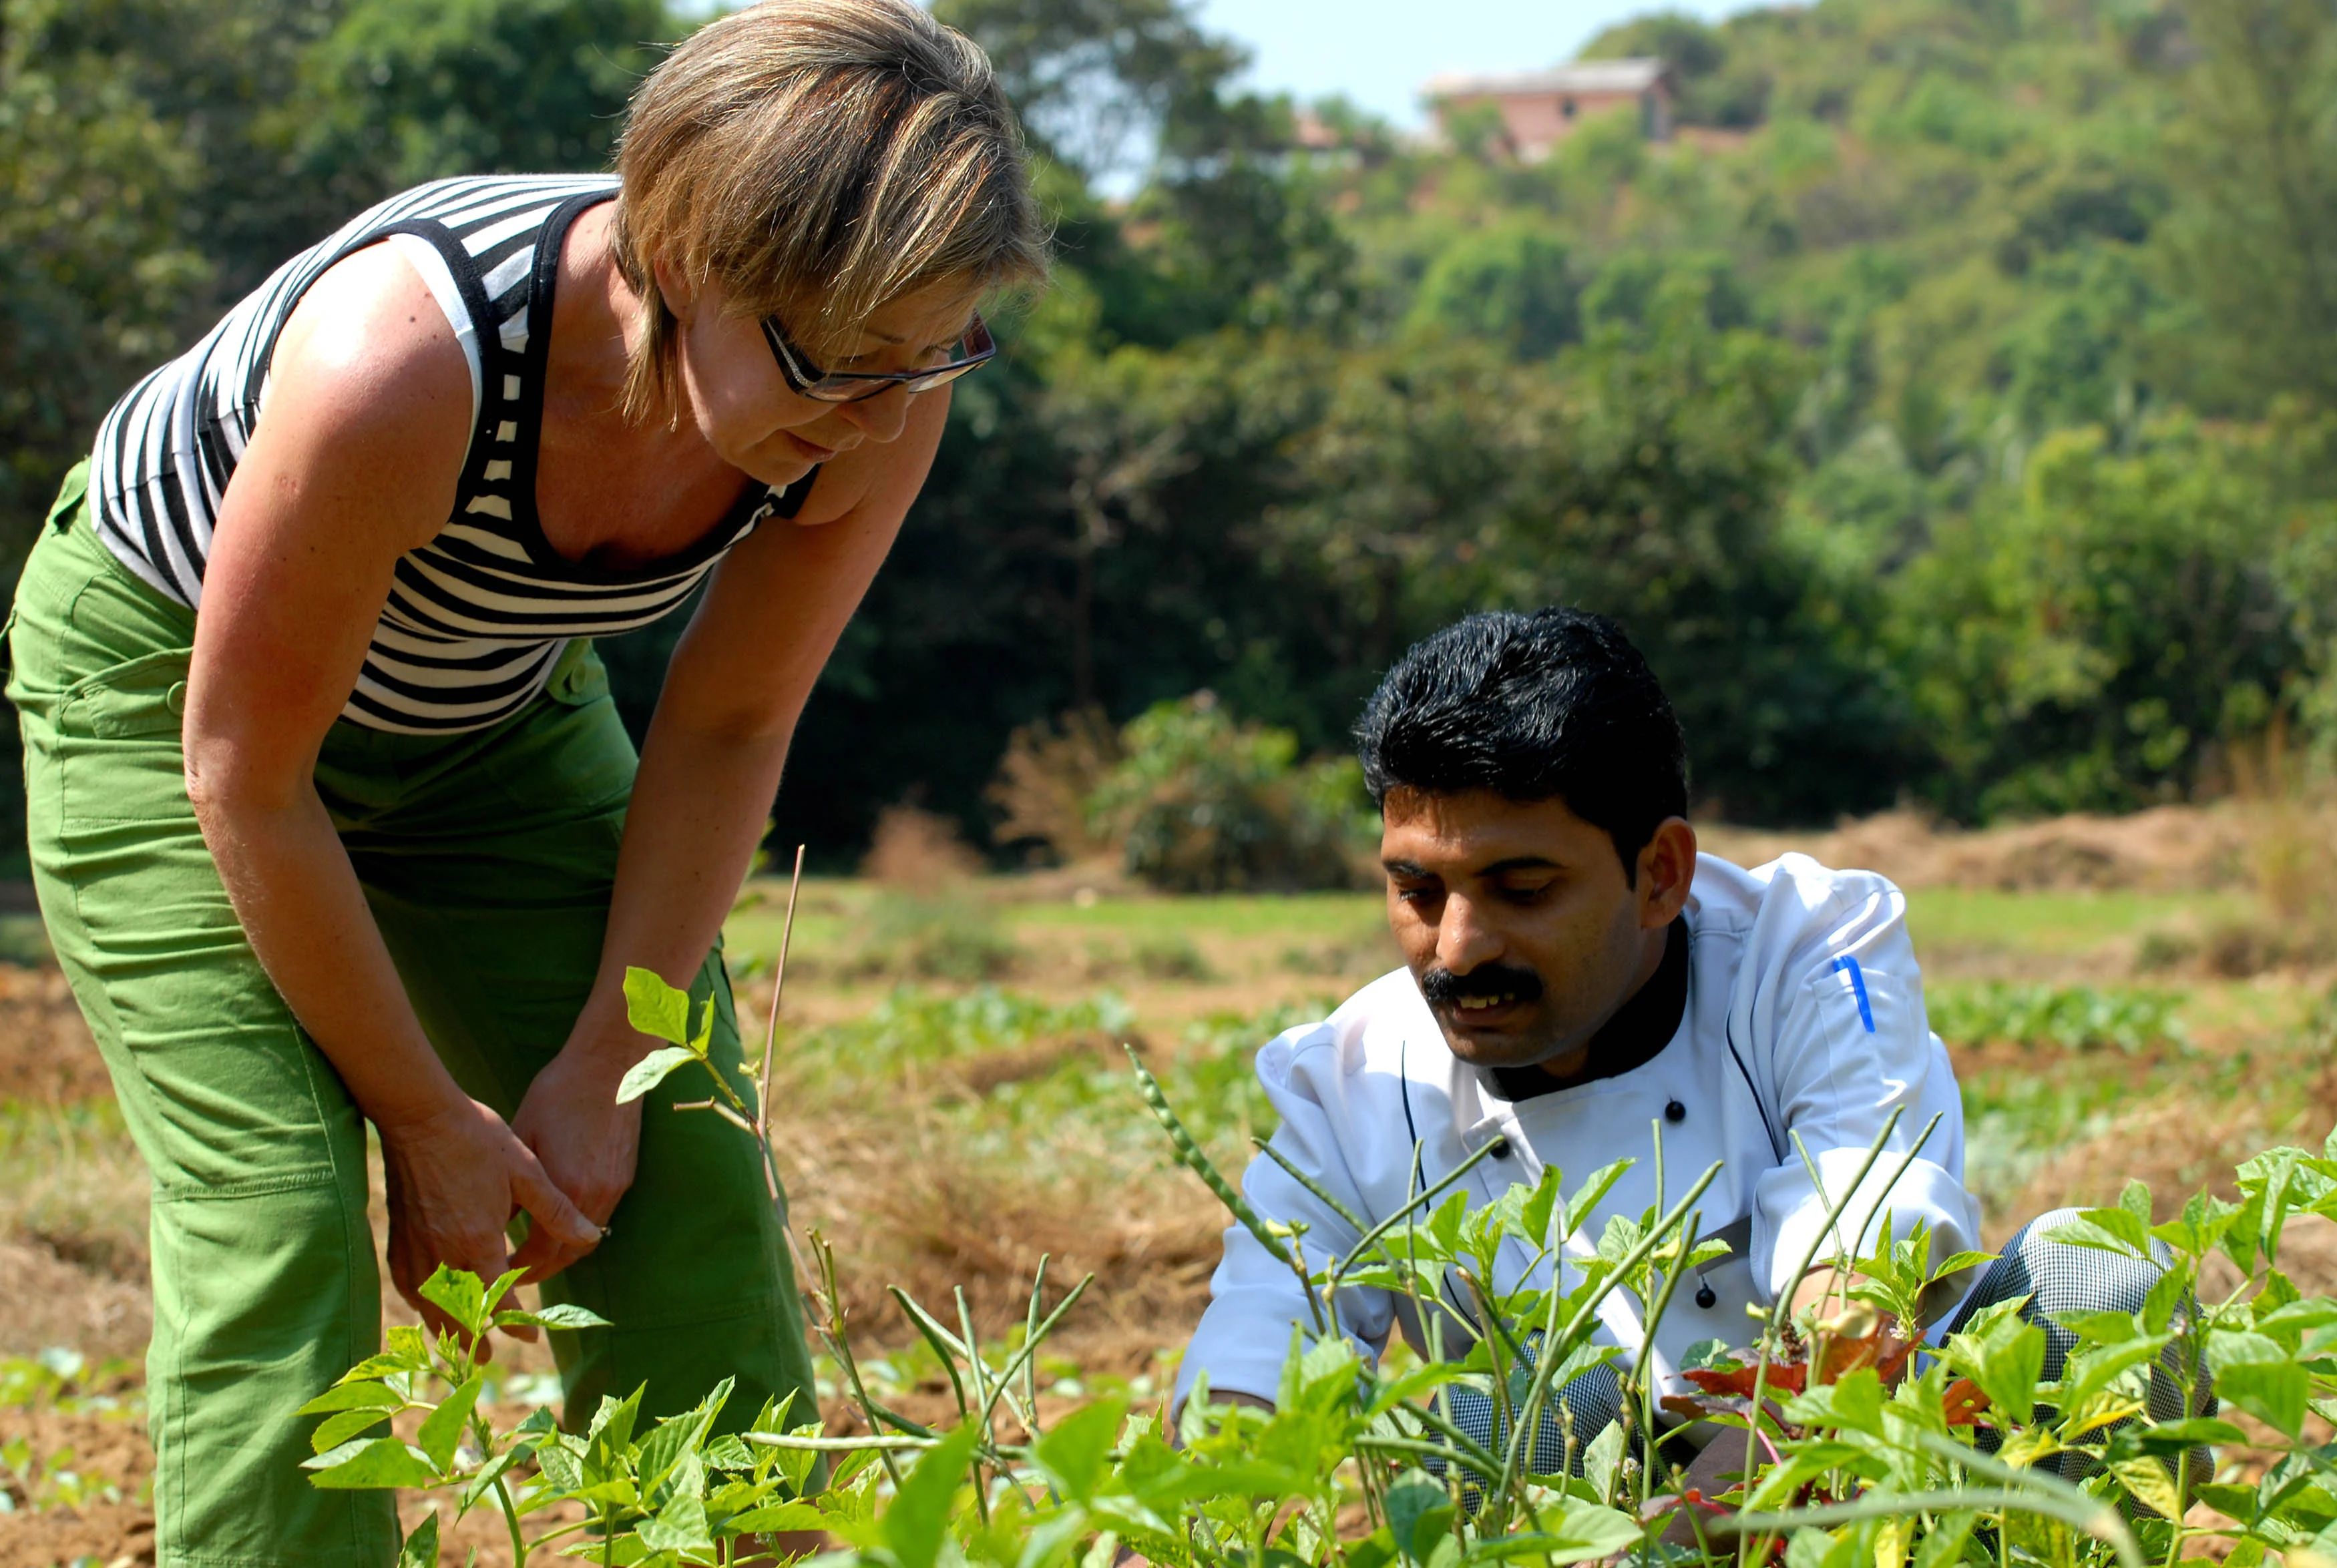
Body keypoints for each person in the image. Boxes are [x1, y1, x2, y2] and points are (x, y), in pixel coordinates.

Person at [4, 3, 1044, 1561]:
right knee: (279, 1213)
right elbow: (248, 768)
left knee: (665, 1147)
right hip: (177, 696)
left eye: (927, 358)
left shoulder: (877, 388)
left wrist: (597, 1056)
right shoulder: (407, 362)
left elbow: (727, 723)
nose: (873, 414)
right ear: (689, 259)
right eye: (837, 365)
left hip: (487, 708)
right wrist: (425, 1116)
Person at [1173, 607, 2198, 1504]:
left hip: (1875, 1483)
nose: (1457, 948)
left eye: (1523, 889)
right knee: (1497, 1418)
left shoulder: (1806, 950)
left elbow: (1867, 1232)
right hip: (1583, 1519)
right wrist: (1181, 1527)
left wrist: (1735, 1497)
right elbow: (1259, 1351)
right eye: (1418, 891)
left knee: (2101, 1278)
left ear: (1661, 873)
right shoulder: (1350, 1079)